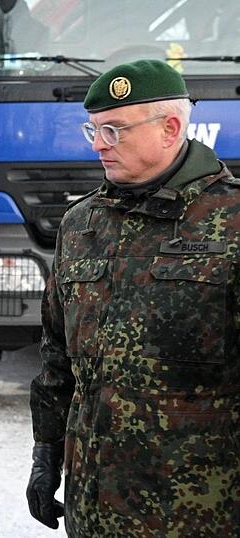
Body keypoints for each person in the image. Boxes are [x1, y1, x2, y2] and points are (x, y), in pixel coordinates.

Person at [27, 59, 240, 536]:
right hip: (94, 509)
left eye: (115, 131)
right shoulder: (81, 224)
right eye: (94, 130)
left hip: (199, 514)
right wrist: (46, 455)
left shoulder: (231, 221)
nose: (99, 145)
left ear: (169, 128)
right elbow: (59, 359)